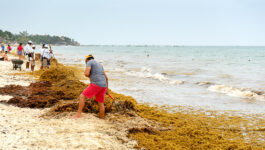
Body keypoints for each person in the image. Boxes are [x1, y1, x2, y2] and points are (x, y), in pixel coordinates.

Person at [73, 54, 109, 119]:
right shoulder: (100, 65)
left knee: (82, 96)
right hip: (103, 85)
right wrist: (107, 89)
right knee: (101, 103)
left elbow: (87, 73)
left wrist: (86, 74)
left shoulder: (89, 62)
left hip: (96, 84)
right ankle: (102, 118)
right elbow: (106, 78)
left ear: (86, 60)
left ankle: (78, 115)